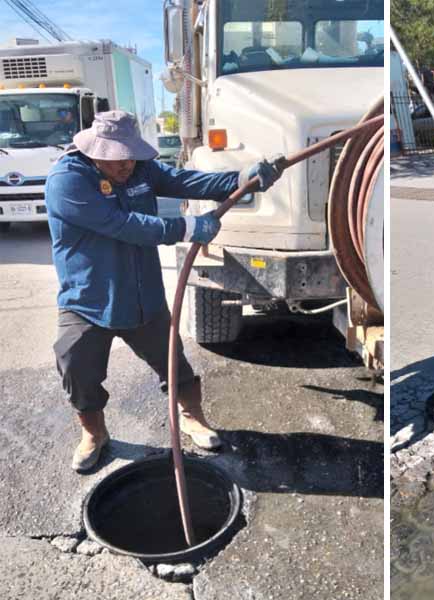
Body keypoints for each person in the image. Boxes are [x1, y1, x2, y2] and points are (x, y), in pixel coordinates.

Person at [45, 110, 282, 472]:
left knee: (174, 364)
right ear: (96, 151)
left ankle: (192, 418)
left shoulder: (140, 168)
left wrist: (240, 178)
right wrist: (187, 228)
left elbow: (186, 180)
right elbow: (121, 225)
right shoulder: (67, 180)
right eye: (117, 157)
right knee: (76, 368)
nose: (126, 164)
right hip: (87, 301)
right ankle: (94, 433)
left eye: (131, 155)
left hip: (143, 298)